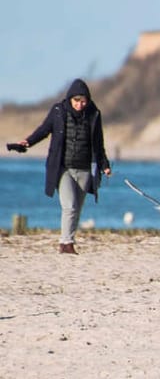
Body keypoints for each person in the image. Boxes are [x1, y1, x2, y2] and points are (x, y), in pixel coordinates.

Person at [13, 79, 112, 254]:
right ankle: (66, 243)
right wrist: (28, 141)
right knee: (70, 206)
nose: (80, 105)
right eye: (77, 101)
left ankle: (69, 240)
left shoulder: (94, 114)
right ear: (70, 99)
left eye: (83, 101)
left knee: (77, 208)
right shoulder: (58, 111)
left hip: (84, 169)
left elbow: (98, 143)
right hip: (63, 168)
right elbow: (44, 130)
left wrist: (104, 165)